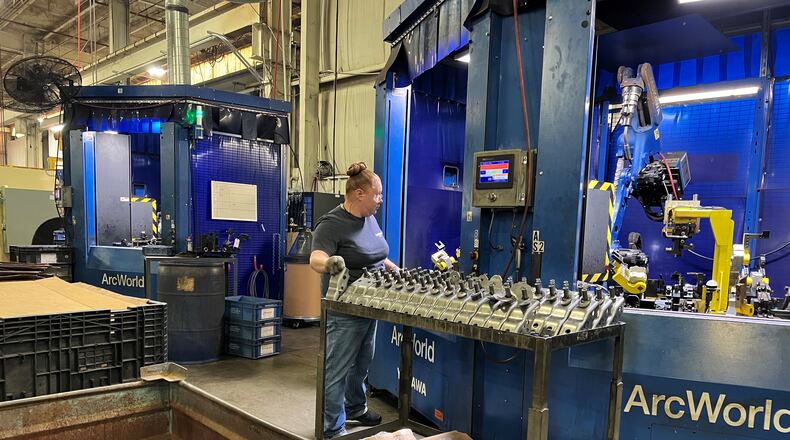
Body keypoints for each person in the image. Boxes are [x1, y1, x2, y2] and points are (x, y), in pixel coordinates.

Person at [310, 162, 398, 438]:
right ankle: (331, 426)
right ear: (359, 193)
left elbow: (374, 254)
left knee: (362, 363)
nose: (380, 201)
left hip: (370, 304)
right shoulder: (332, 223)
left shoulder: (369, 218)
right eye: (377, 195)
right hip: (344, 309)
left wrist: (395, 270)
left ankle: (356, 408)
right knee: (336, 369)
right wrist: (331, 262)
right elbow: (315, 258)